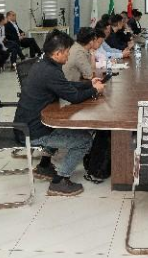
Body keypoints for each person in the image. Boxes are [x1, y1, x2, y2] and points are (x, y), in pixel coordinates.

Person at [14, 30, 106, 196]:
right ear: (57, 53)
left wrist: (89, 84)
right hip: (33, 131)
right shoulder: (50, 71)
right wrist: (94, 91)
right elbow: (74, 97)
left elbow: (65, 85)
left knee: (76, 129)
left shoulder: (44, 64)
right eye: (67, 52)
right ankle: (60, 181)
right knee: (84, 141)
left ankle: (44, 166)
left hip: (30, 124)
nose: (68, 55)